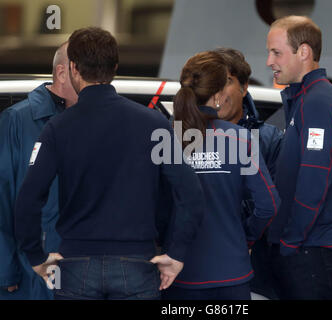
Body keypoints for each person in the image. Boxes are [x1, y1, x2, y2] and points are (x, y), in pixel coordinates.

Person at [14, 27, 205, 300]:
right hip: (138, 265)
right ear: (114, 67)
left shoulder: (57, 128)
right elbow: (191, 194)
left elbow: (28, 199)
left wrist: (36, 255)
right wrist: (177, 254)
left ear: (73, 68)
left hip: (75, 267)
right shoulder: (154, 124)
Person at [162, 51, 281, 300]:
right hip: (231, 273)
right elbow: (269, 205)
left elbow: (151, 205)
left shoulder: (164, 139)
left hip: (177, 274)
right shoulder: (239, 138)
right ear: (216, 96)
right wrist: (244, 237)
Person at [265, 16, 332, 300]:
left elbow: (314, 181)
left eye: (276, 52)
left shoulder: (317, 102)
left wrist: (291, 241)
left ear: (304, 52)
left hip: (309, 252)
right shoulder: (303, 99)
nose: (269, 61)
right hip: (303, 249)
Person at [0, 42, 77, 299]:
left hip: (81, 274)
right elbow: (1, 196)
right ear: (62, 73)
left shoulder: (91, 121)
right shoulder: (17, 121)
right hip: (28, 273)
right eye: (83, 71)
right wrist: (5, 269)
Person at [211, 47, 284, 299]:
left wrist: (246, 238)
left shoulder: (268, 140)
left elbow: (273, 206)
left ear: (243, 88)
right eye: (212, 82)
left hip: (254, 277)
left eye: (227, 82)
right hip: (195, 273)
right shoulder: (183, 138)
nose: (217, 91)